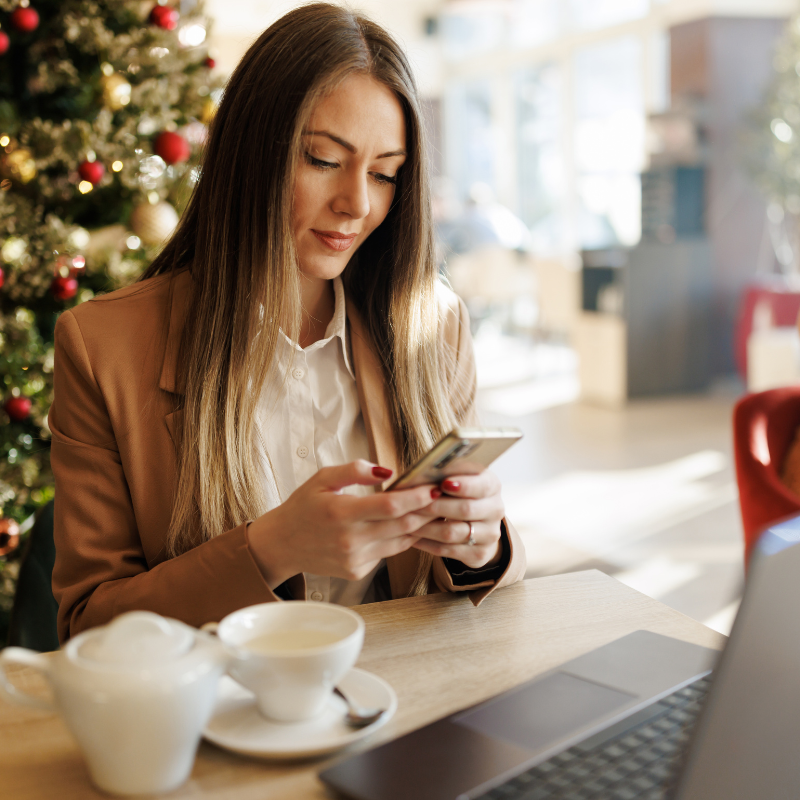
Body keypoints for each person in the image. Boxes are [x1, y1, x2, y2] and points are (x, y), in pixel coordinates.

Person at [50, 3, 526, 643]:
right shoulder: (104, 348)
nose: (357, 203)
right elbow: (90, 625)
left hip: (404, 708)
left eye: (385, 173)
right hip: (228, 719)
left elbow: (479, 581)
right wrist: (270, 548)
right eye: (324, 160)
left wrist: (482, 545)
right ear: (252, 154)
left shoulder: (433, 328)